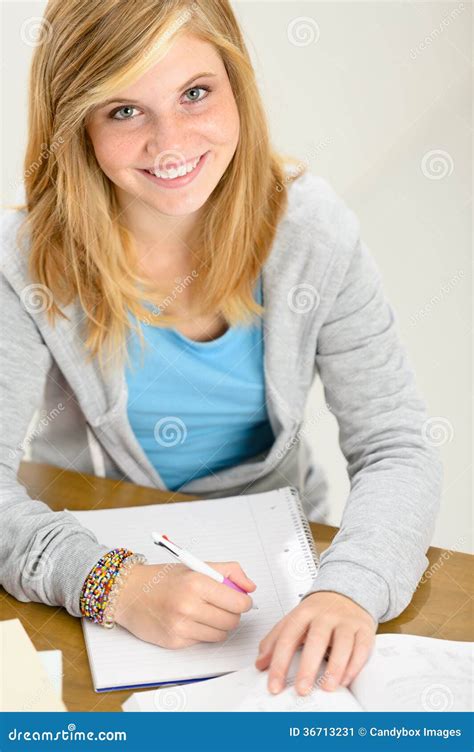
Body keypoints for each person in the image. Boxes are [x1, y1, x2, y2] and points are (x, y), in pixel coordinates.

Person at [0, 0, 442, 698]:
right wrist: (112, 583)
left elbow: (397, 445)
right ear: (75, 124)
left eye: (195, 93)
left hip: (286, 558)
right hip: (96, 551)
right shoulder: (27, 265)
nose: (169, 142)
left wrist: (350, 591)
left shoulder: (312, 232)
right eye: (123, 110)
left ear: (237, 86)